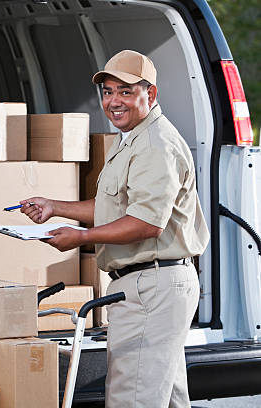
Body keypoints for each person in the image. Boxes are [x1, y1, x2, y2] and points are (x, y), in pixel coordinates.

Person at [20, 50, 209, 407]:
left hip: (153, 288)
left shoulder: (154, 146)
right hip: (150, 285)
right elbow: (115, 208)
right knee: (165, 400)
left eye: (125, 91)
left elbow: (147, 223)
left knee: (131, 399)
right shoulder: (134, 139)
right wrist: (55, 207)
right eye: (107, 92)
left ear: (149, 94)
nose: (113, 101)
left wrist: (82, 237)